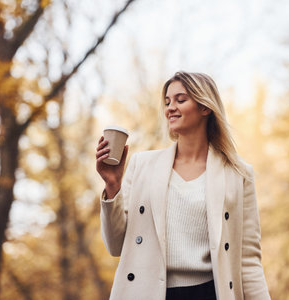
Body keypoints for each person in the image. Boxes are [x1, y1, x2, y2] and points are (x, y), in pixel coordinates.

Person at [96, 71, 271, 300]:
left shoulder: (238, 175)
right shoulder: (142, 166)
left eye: (180, 100)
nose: (170, 107)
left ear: (205, 107)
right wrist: (112, 185)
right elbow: (115, 245)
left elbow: (248, 261)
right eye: (167, 102)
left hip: (211, 293)